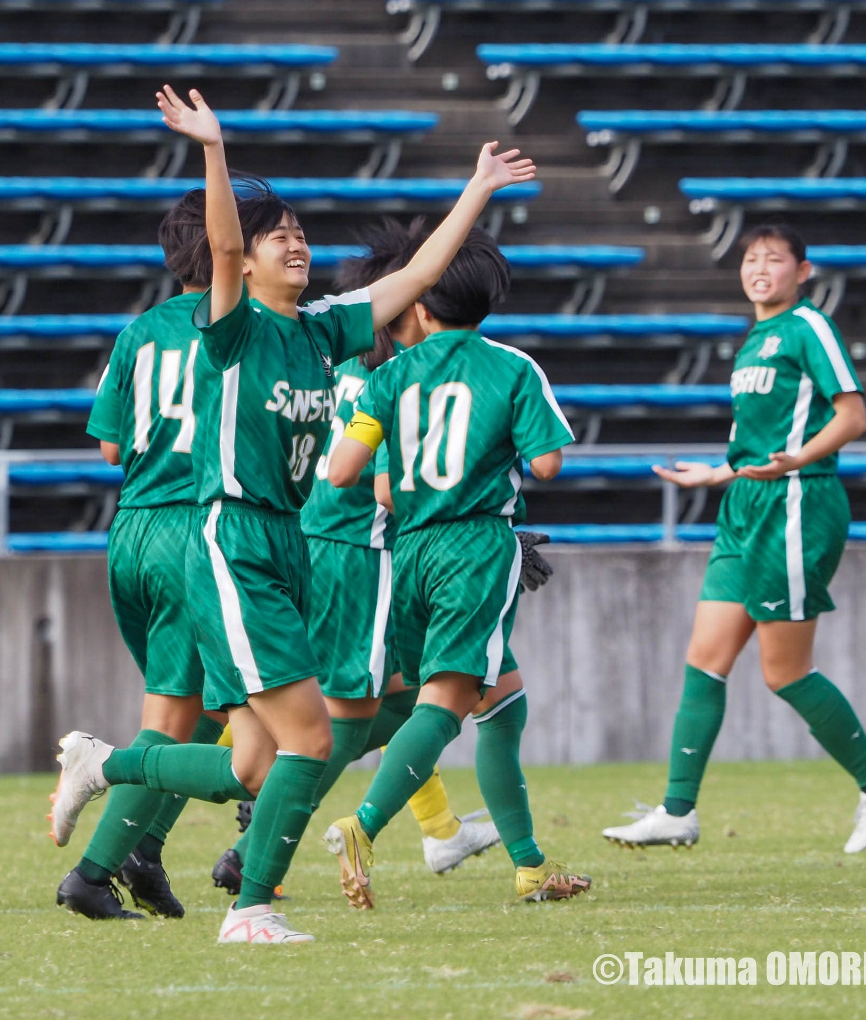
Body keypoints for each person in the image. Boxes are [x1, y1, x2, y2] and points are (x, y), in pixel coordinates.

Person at [48, 84, 536, 945]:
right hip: (232, 537)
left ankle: (106, 764)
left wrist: (478, 188)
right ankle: (250, 909)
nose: (296, 242)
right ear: (246, 261)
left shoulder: (321, 329)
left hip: (287, 542)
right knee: (311, 740)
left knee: (254, 763)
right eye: (279, 236)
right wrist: (214, 147)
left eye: (300, 231)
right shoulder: (233, 325)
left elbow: (419, 278)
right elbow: (222, 243)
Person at [209, 219, 557, 894]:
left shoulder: (342, 360)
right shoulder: (404, 372)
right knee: (353, 718)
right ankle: (260, 841)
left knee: (426, 697)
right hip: (368, 554)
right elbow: (383, 487)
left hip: (336, 545)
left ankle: (452, 833)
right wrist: (487, 520)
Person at [601, 223, 866, 853]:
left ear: (803, 270)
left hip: (797, 504)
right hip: (745, 504)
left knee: (784, 673)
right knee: (704, 660)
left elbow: (852, 416)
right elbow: (760, 442)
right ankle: (677, 810)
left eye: (774, 258)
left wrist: (799, 459)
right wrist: (718, 473)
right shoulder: (753, 340)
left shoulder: (809, 326)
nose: (760, 268)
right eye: (751, 259)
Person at [321, 226, 591, 908]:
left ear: (420, 304)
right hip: (474, 546)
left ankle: (530, 865)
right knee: (444, 706)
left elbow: (353, 475)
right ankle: (363, 825)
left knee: (502, 700)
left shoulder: (389, 375)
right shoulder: (511, 366)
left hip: (409, 553)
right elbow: (548, 463)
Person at [55, 188, 229, 921]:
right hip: (190, 529)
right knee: (176, 714)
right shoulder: (238, 327)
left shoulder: (137, 332)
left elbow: (108, 446)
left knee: (208, 706)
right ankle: (93, 872)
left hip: (132, 525)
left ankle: (143, 847)